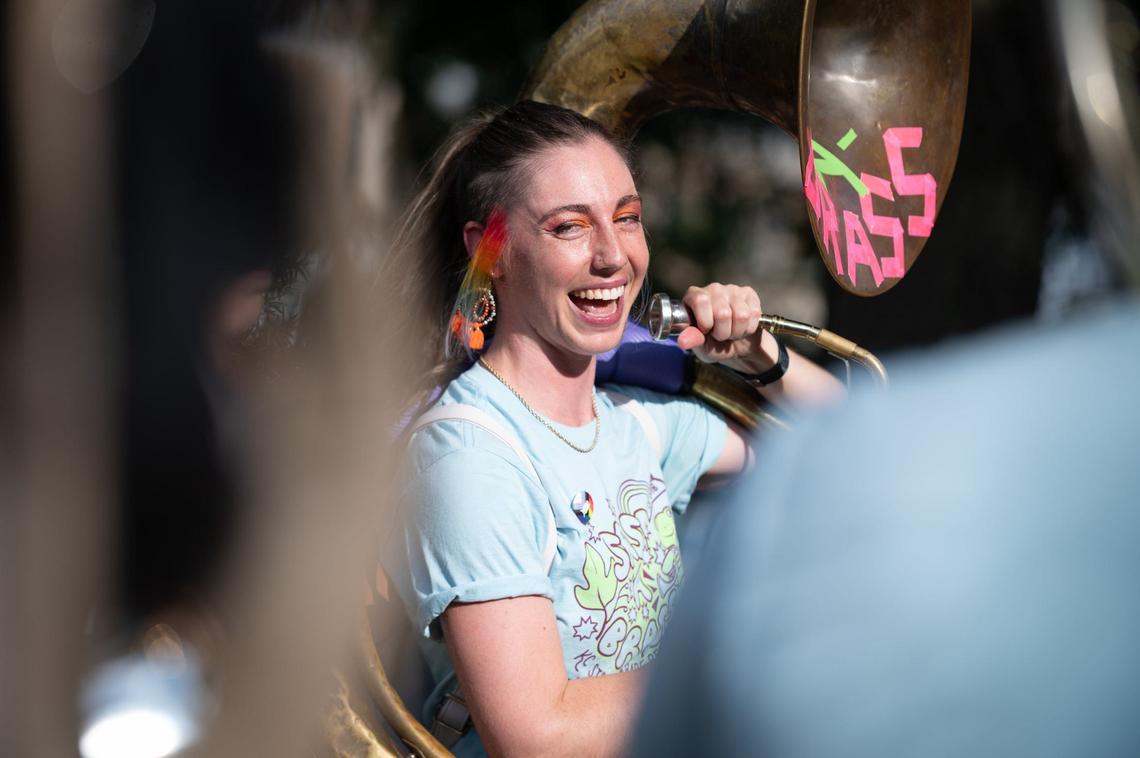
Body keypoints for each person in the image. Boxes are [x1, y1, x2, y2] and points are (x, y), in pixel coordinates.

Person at [381, 99, 842, 757]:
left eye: (627, 218)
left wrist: (760, 357)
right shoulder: (467, 456)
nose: (613, 257)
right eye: (569, 227)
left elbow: (852, 453)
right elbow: (539, 734)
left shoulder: (634, 423)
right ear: (493, 251)